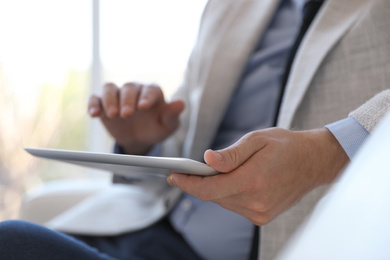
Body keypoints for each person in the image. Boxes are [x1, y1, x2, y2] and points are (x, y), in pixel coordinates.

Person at [1, 0, 390, 259]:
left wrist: (329, 153)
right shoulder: (231, 7)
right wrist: (142, 141)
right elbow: (192, 145)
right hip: (144, 232)